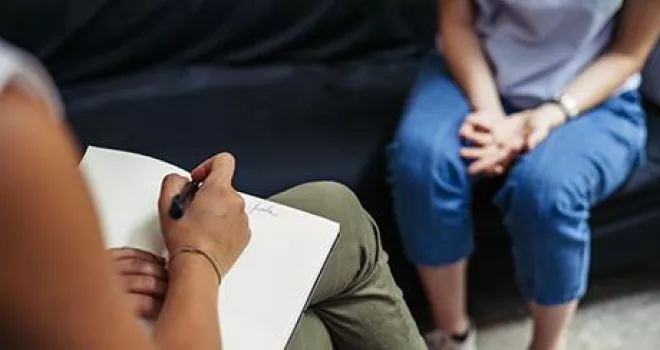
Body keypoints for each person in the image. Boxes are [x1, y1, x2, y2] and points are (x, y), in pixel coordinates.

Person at [0, 39, 426, 349]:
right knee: (310, 328)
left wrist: (60, 289)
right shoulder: (13, 129)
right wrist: (198, 255)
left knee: (333, 214)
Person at [388, 1, 660, 350]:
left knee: (547, 192)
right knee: (420, 164)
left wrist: (552, 113)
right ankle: (452, 333)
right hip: (475, 73)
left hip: (592, 95)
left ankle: (548, 345)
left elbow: (628, 53)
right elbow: (456, 25)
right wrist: (492, 116)